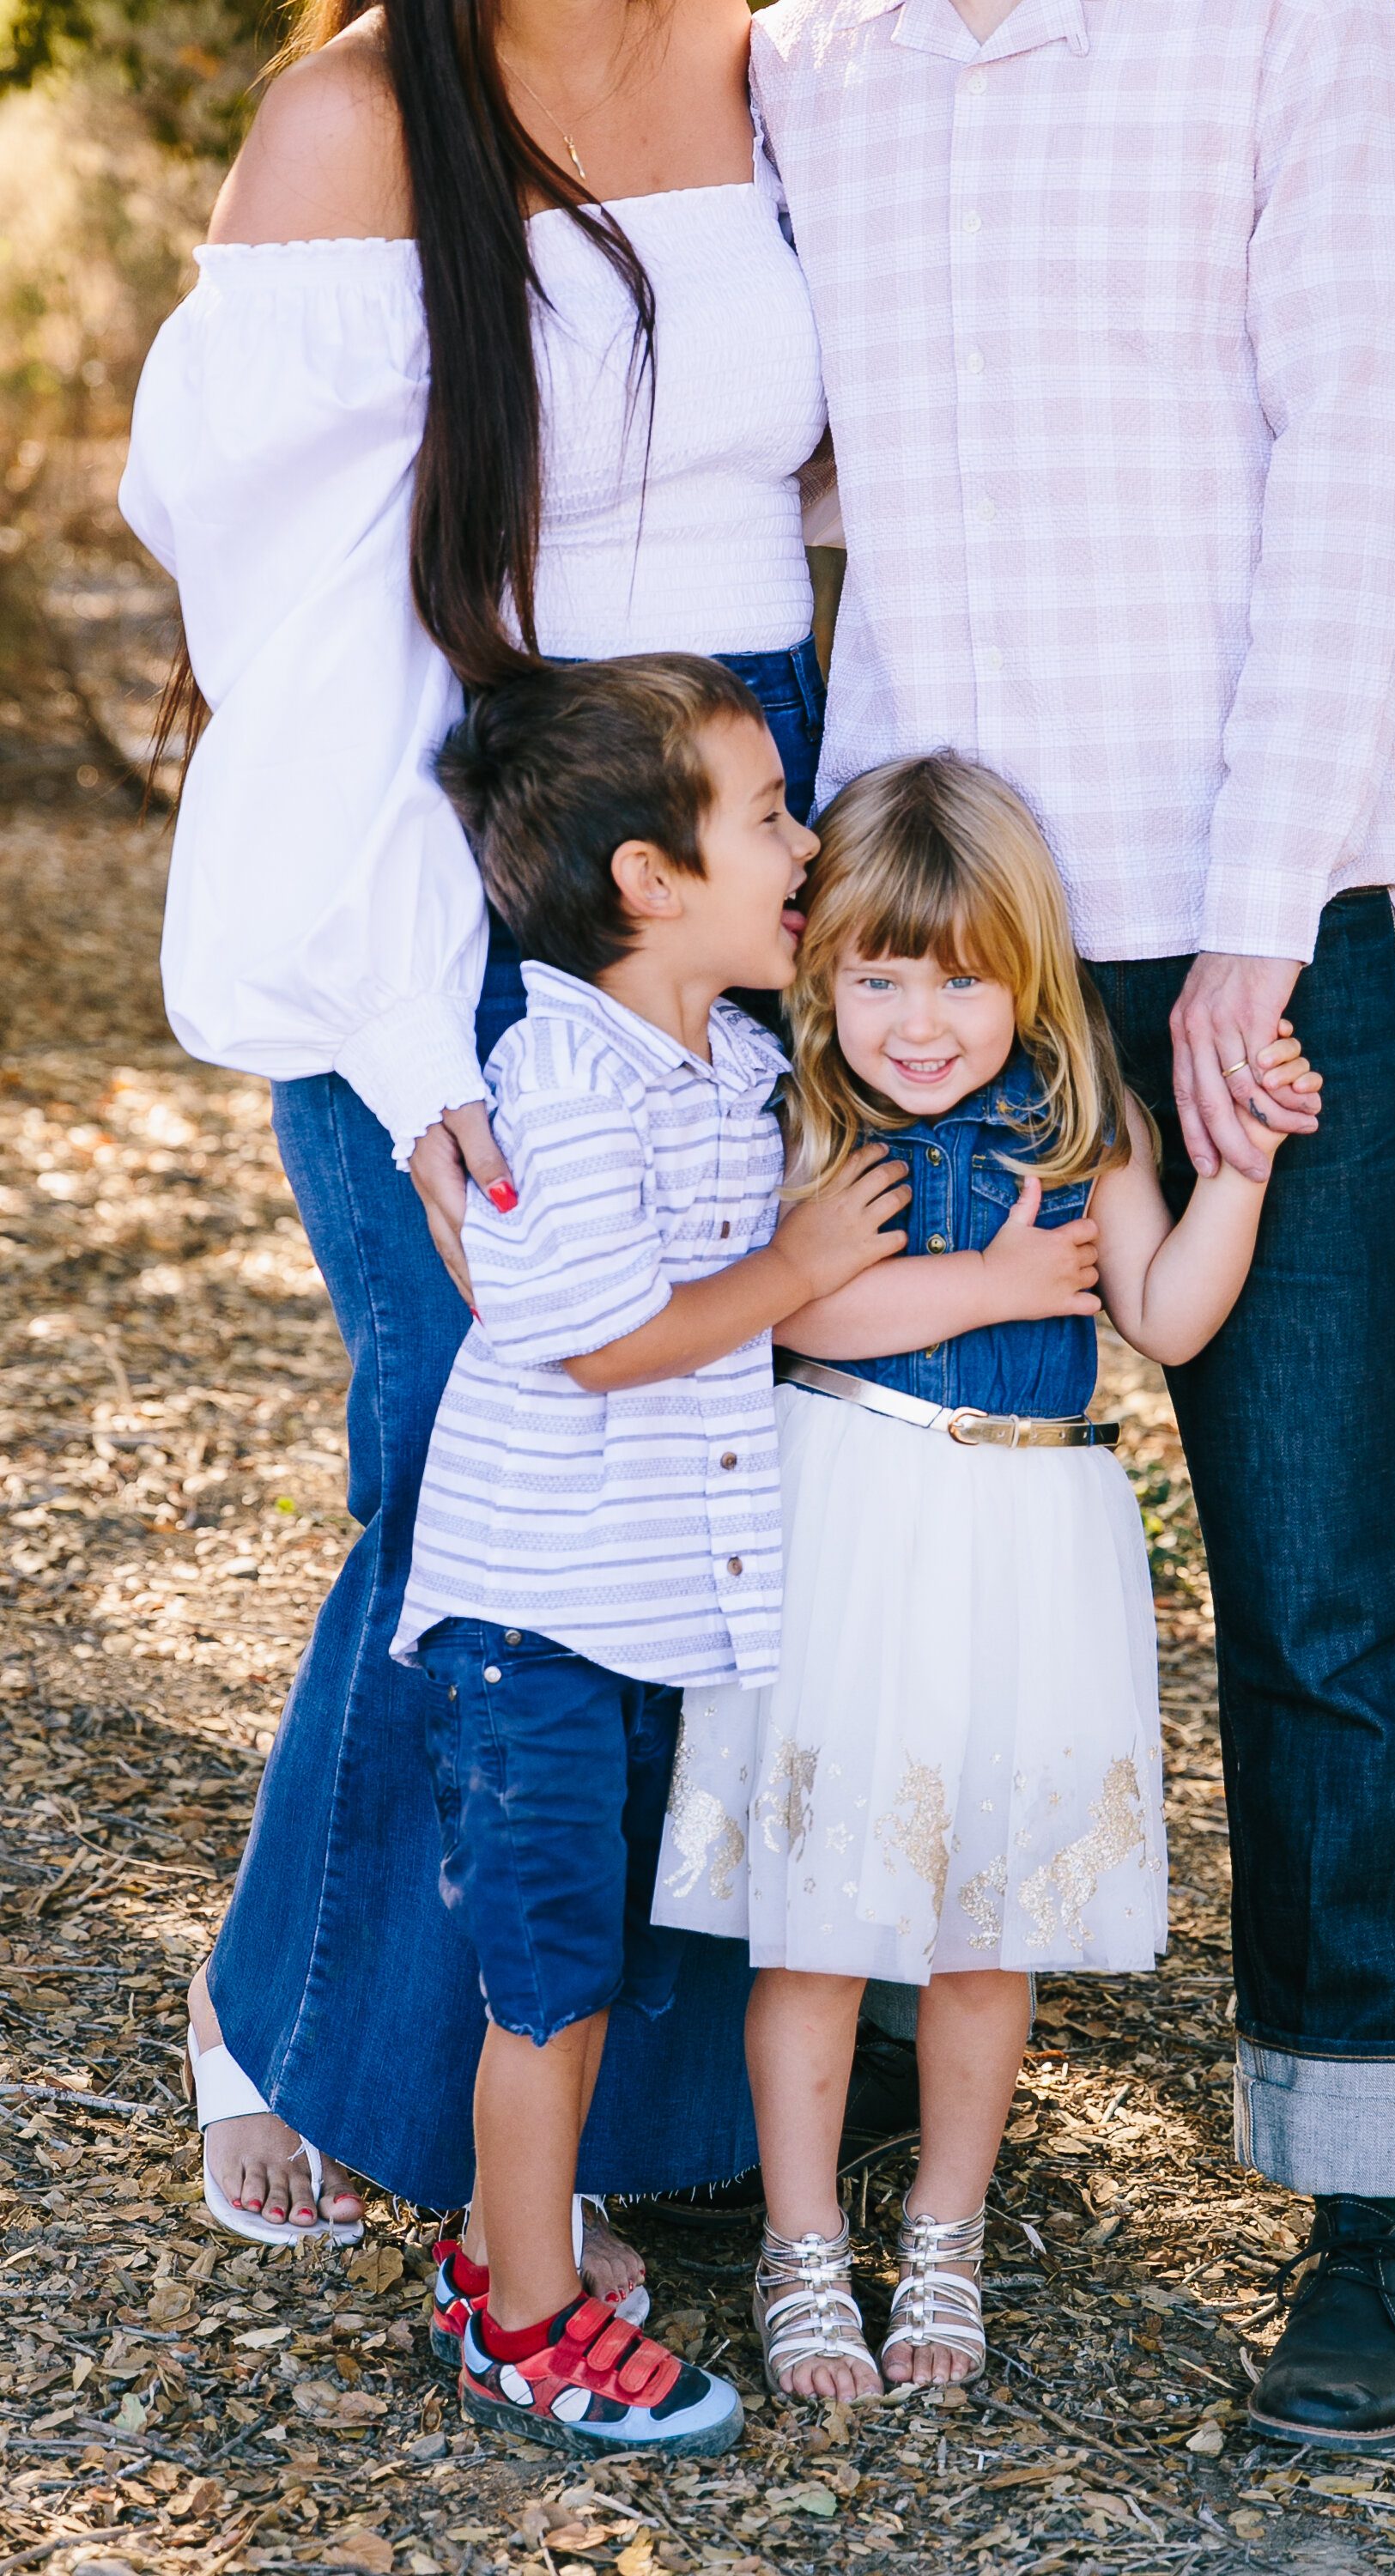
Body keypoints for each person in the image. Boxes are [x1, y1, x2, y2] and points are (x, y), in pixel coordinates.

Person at [749, 0, 1395, 2449]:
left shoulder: (1285, 20)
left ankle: (1365, 2204)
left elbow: (1360, 451)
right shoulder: (811, 48)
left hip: (1232, 907)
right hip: (930, 947)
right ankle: (824, 2086)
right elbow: (795, 446)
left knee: (1325, 1580)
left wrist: (1265, 923)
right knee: (847, 1510)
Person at [116, 0, 831, 2282]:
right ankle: (314, 2026)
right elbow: (295, 640)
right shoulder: (355, 115)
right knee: (475, 1440)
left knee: (720, 1435)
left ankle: (617, 2086)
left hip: (747, 816)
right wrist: (419, 1032)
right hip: (470, 838)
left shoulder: (782, 61)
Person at [653, 754, 1322, 2399]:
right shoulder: (813, 1113)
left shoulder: (1081, 1126)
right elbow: (801, 1315)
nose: (920, 1021)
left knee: (987, 1922)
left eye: (961, 981)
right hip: (858, 1520)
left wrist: (1238, 1159)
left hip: (1032, 1537)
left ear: (1028, 976)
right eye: (877, 978)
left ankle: (943, 2238)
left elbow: (1162, 1316)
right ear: (823, 973)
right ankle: (806, 2246)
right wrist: (993, 1281)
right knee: (811, 1915)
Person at [386, 653, 909, 2451]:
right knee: (551, 1978)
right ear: (648, 881)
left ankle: (496, 2254)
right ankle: (524, 2321)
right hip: (530, 1627)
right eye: (768, 817)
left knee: (580, 1958)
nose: (807, 841)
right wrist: (806, 1262)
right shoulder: (569, 1075)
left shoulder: (725, 1057)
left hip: (612, 1624)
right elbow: (604, 1332)